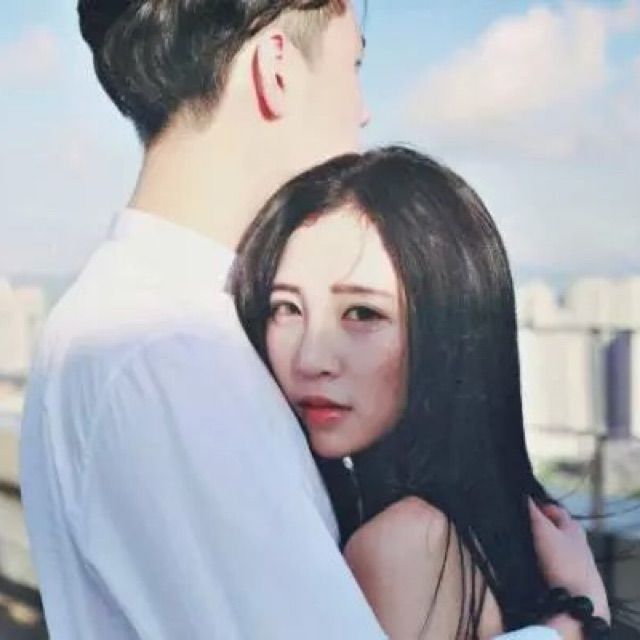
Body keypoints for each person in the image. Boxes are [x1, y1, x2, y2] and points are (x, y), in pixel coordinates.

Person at [19, 0, 602, 638]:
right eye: (353, 65)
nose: (363, 111)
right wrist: (575, 623)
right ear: (277, 69)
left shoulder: (152, 324)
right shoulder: (167, 350)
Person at [232, 147, 611, 639]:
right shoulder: (481, 524)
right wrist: (581, 615)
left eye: (363, 313)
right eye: (286, 308)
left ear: (448, 335)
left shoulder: (403, 543)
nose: (310, 358)